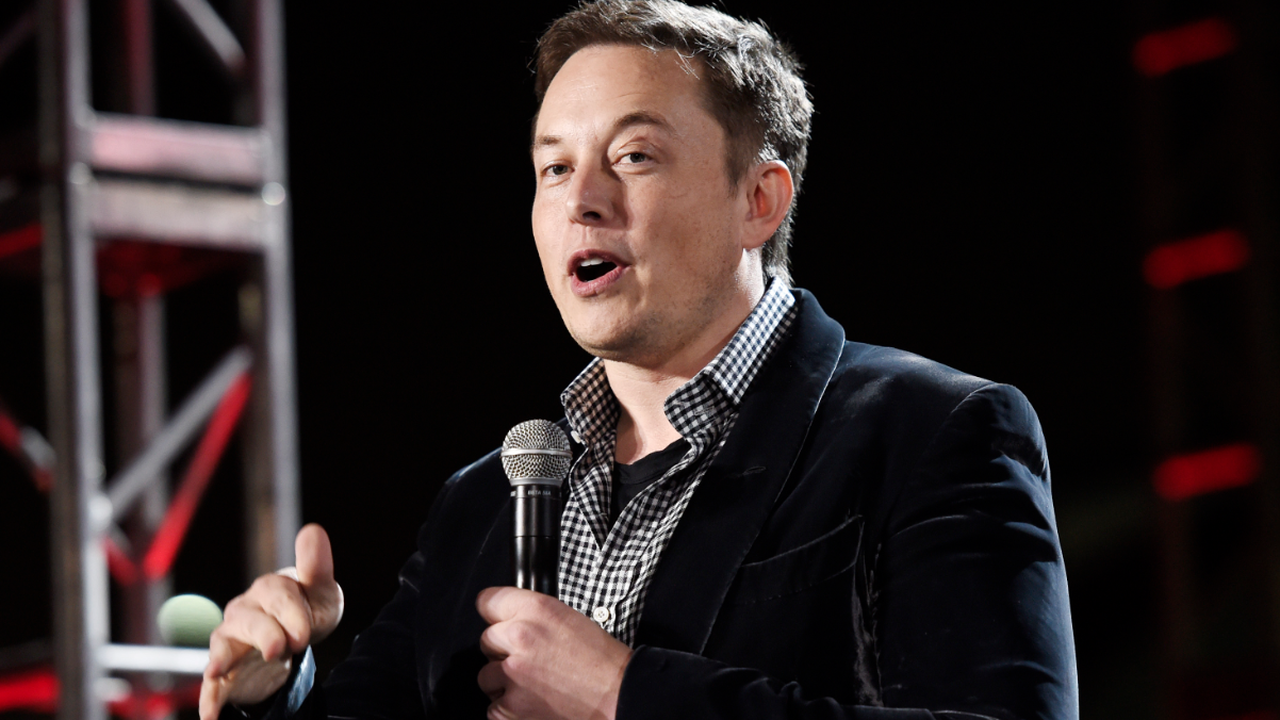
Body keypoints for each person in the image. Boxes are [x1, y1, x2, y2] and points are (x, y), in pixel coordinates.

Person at [200, 1, 1079, 718]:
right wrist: (274, 689)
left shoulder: (928, 433)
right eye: (553, 168)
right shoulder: (484, 500)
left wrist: (622, 694)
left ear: (759, 199)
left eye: (634, 156)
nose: (582, 200)